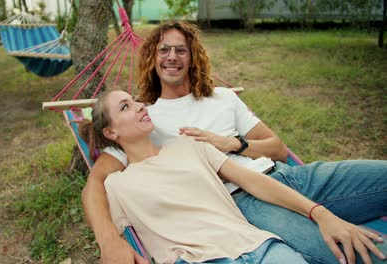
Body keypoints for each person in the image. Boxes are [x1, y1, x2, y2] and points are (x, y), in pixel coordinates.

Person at [81, 21, 387, 264]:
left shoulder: (224, 98)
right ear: (153, 57)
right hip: (242, 201)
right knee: (353, 252)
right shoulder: (146, 116)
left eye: (180, 50)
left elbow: (278, 148)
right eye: (163, 50)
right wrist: (108, 240)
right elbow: (96, 182)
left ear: (191, 57)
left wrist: (230, 143)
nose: (172, 56)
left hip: (287, 176)